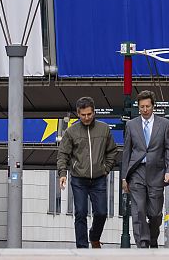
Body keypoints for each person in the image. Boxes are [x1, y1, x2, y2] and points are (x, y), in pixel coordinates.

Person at [57, 96, 119, 248]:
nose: (86, 117)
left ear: (94, 112)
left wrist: (106, 168)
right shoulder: (71, 132)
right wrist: (63, 174)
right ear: (78, 114)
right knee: (80, 213)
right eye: (83, 115)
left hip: (99, 178)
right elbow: (63, 154)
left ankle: (94, 236)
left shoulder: (104, 129)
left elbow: (112, 151)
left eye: (89, 114)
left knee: (102, 213)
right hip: (79, 179)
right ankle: (82, 248)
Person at [121, 90, 169, 248]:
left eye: (147, 106)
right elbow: (126, 152)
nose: (144, 110)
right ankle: (142, 244)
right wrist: (124, 177)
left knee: (155, 213)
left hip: (156, 173)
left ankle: (152, 239)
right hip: (137, 171)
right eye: (141, 107)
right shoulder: (131, 125)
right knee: (139, 210)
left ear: (153, 106)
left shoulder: (164, 124)